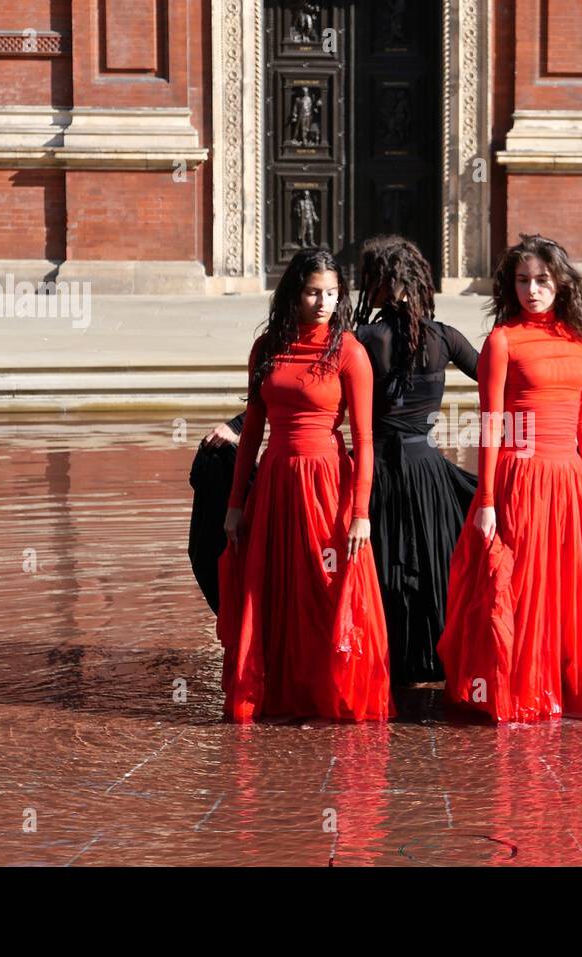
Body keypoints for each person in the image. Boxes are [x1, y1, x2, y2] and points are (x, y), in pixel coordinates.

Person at [437, 234, 582, 723]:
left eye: (542, 280)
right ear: (510, 285)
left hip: (568, 482)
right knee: (519, 586)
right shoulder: (502, 340)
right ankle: (518, 688)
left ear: (561, 283)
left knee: (566, 588)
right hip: (520, 478)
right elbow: (491, 424)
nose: (532, 290)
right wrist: (486, 501)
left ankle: (559, 687)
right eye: (523, 281)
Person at [216, 247, 392, 722]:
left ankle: (326, 692)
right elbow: (252, 431)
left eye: (332, 293)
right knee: (273, 589)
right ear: (294, 293)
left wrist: (361, 513)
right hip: (275, 483)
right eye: (314, 292)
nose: (323, 303)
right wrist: (236, 502)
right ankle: (280, 692)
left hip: (327, 484)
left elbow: (365, 439)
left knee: (323, 586)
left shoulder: (349, 351)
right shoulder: (266, 348)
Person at [352, 236, 481, 688]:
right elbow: (499, 379)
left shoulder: (362, 340)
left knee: (383, 565)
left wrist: (239, 423)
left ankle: (384, 663)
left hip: (377, 471)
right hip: (428, 470)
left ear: (384, 284)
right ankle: (432, 661)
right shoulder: (444, 337)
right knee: (431, 565)